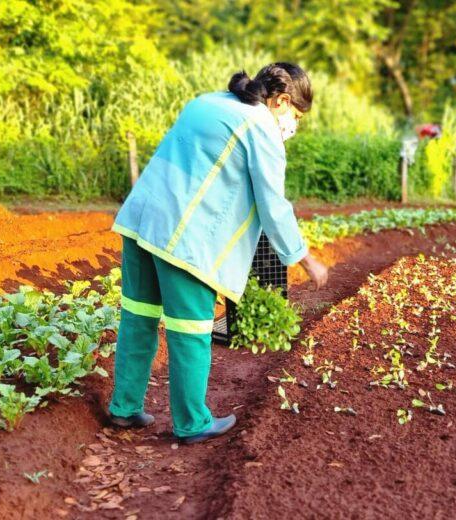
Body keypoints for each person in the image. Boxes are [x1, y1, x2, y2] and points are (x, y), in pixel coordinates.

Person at [107, 63, 329, 444]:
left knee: (138, 319)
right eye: (295, 116)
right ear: (282, 101)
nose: (293, 125)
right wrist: (305, 258)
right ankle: (192, 423)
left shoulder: (207, 102)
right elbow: (273, 203)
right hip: (185, 240)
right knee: (190, 332)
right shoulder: (260, 127)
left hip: (142, 220)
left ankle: (124, 409)